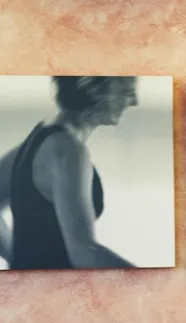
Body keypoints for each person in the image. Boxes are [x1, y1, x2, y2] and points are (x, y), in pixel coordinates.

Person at [0, 76, 138, 270]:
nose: (134, 101)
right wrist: (152, 281)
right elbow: (83, 253)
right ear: (92, 87)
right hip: (53, 289)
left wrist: (19, 262)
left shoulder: (41, 137)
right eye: (126, 91)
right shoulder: (67, 150)